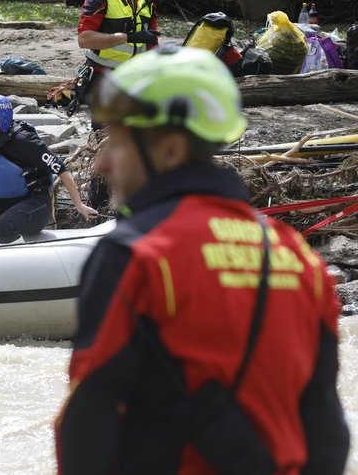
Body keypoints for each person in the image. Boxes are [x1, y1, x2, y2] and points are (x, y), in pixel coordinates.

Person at [54, 45, 350, 473]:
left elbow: (88, 419)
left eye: (116, 141)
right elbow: (326, 432)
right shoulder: (296, 259)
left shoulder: (137, 254)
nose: (100, 164)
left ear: (170, 150)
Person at [0, 94, 97, 243]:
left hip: (34, 206)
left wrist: (79, 205)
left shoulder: (25, 141)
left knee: (2, 227)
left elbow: (61, 169)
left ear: (2, 120)